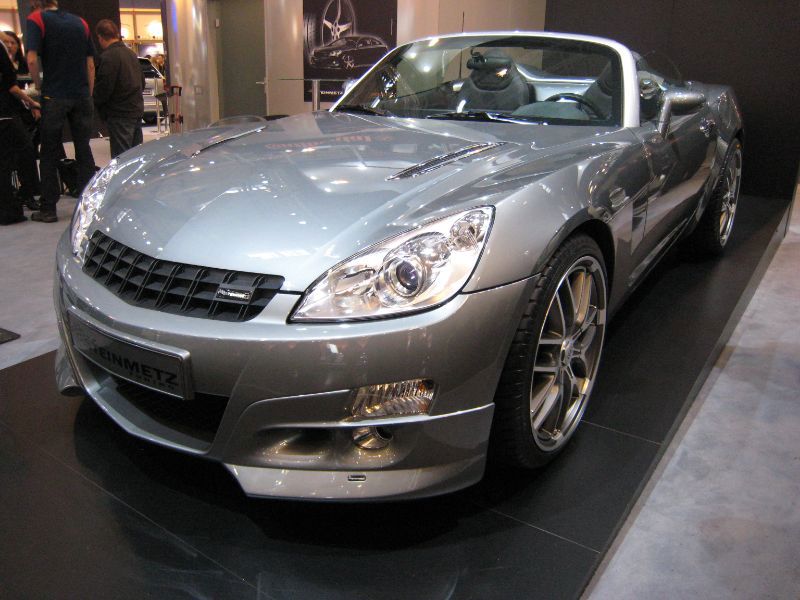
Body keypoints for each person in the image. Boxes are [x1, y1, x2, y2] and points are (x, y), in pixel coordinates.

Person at [26, 0, 96, 223]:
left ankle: (48, 209)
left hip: (54, 95)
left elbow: (31, 59)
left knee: (49, 152)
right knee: (83, 148)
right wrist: (88, 93)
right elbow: (90, 64)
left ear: (35, 3)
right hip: (81, 95)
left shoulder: (37, 19)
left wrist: (39, 85)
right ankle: (89, 205)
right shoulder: (81, 23)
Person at [1, 32, 40, 225]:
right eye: (6, 42)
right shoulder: (4, 58)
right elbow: (11, 87)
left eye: (12, 42)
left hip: (18, 114)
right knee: (20, 152)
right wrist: (32, 102)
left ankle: (24, 194)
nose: (9, 45)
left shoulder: (23, 64)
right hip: (8, 114)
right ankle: (17, 199)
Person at [93, 19, 144, 158]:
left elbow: (104, 88)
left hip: (119, 114)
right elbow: (142, 82)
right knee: (136, 157)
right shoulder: (131, 54)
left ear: (100, 37)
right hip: (136, 110)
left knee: (121, 158)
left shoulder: (108, 57)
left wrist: (96, 102)